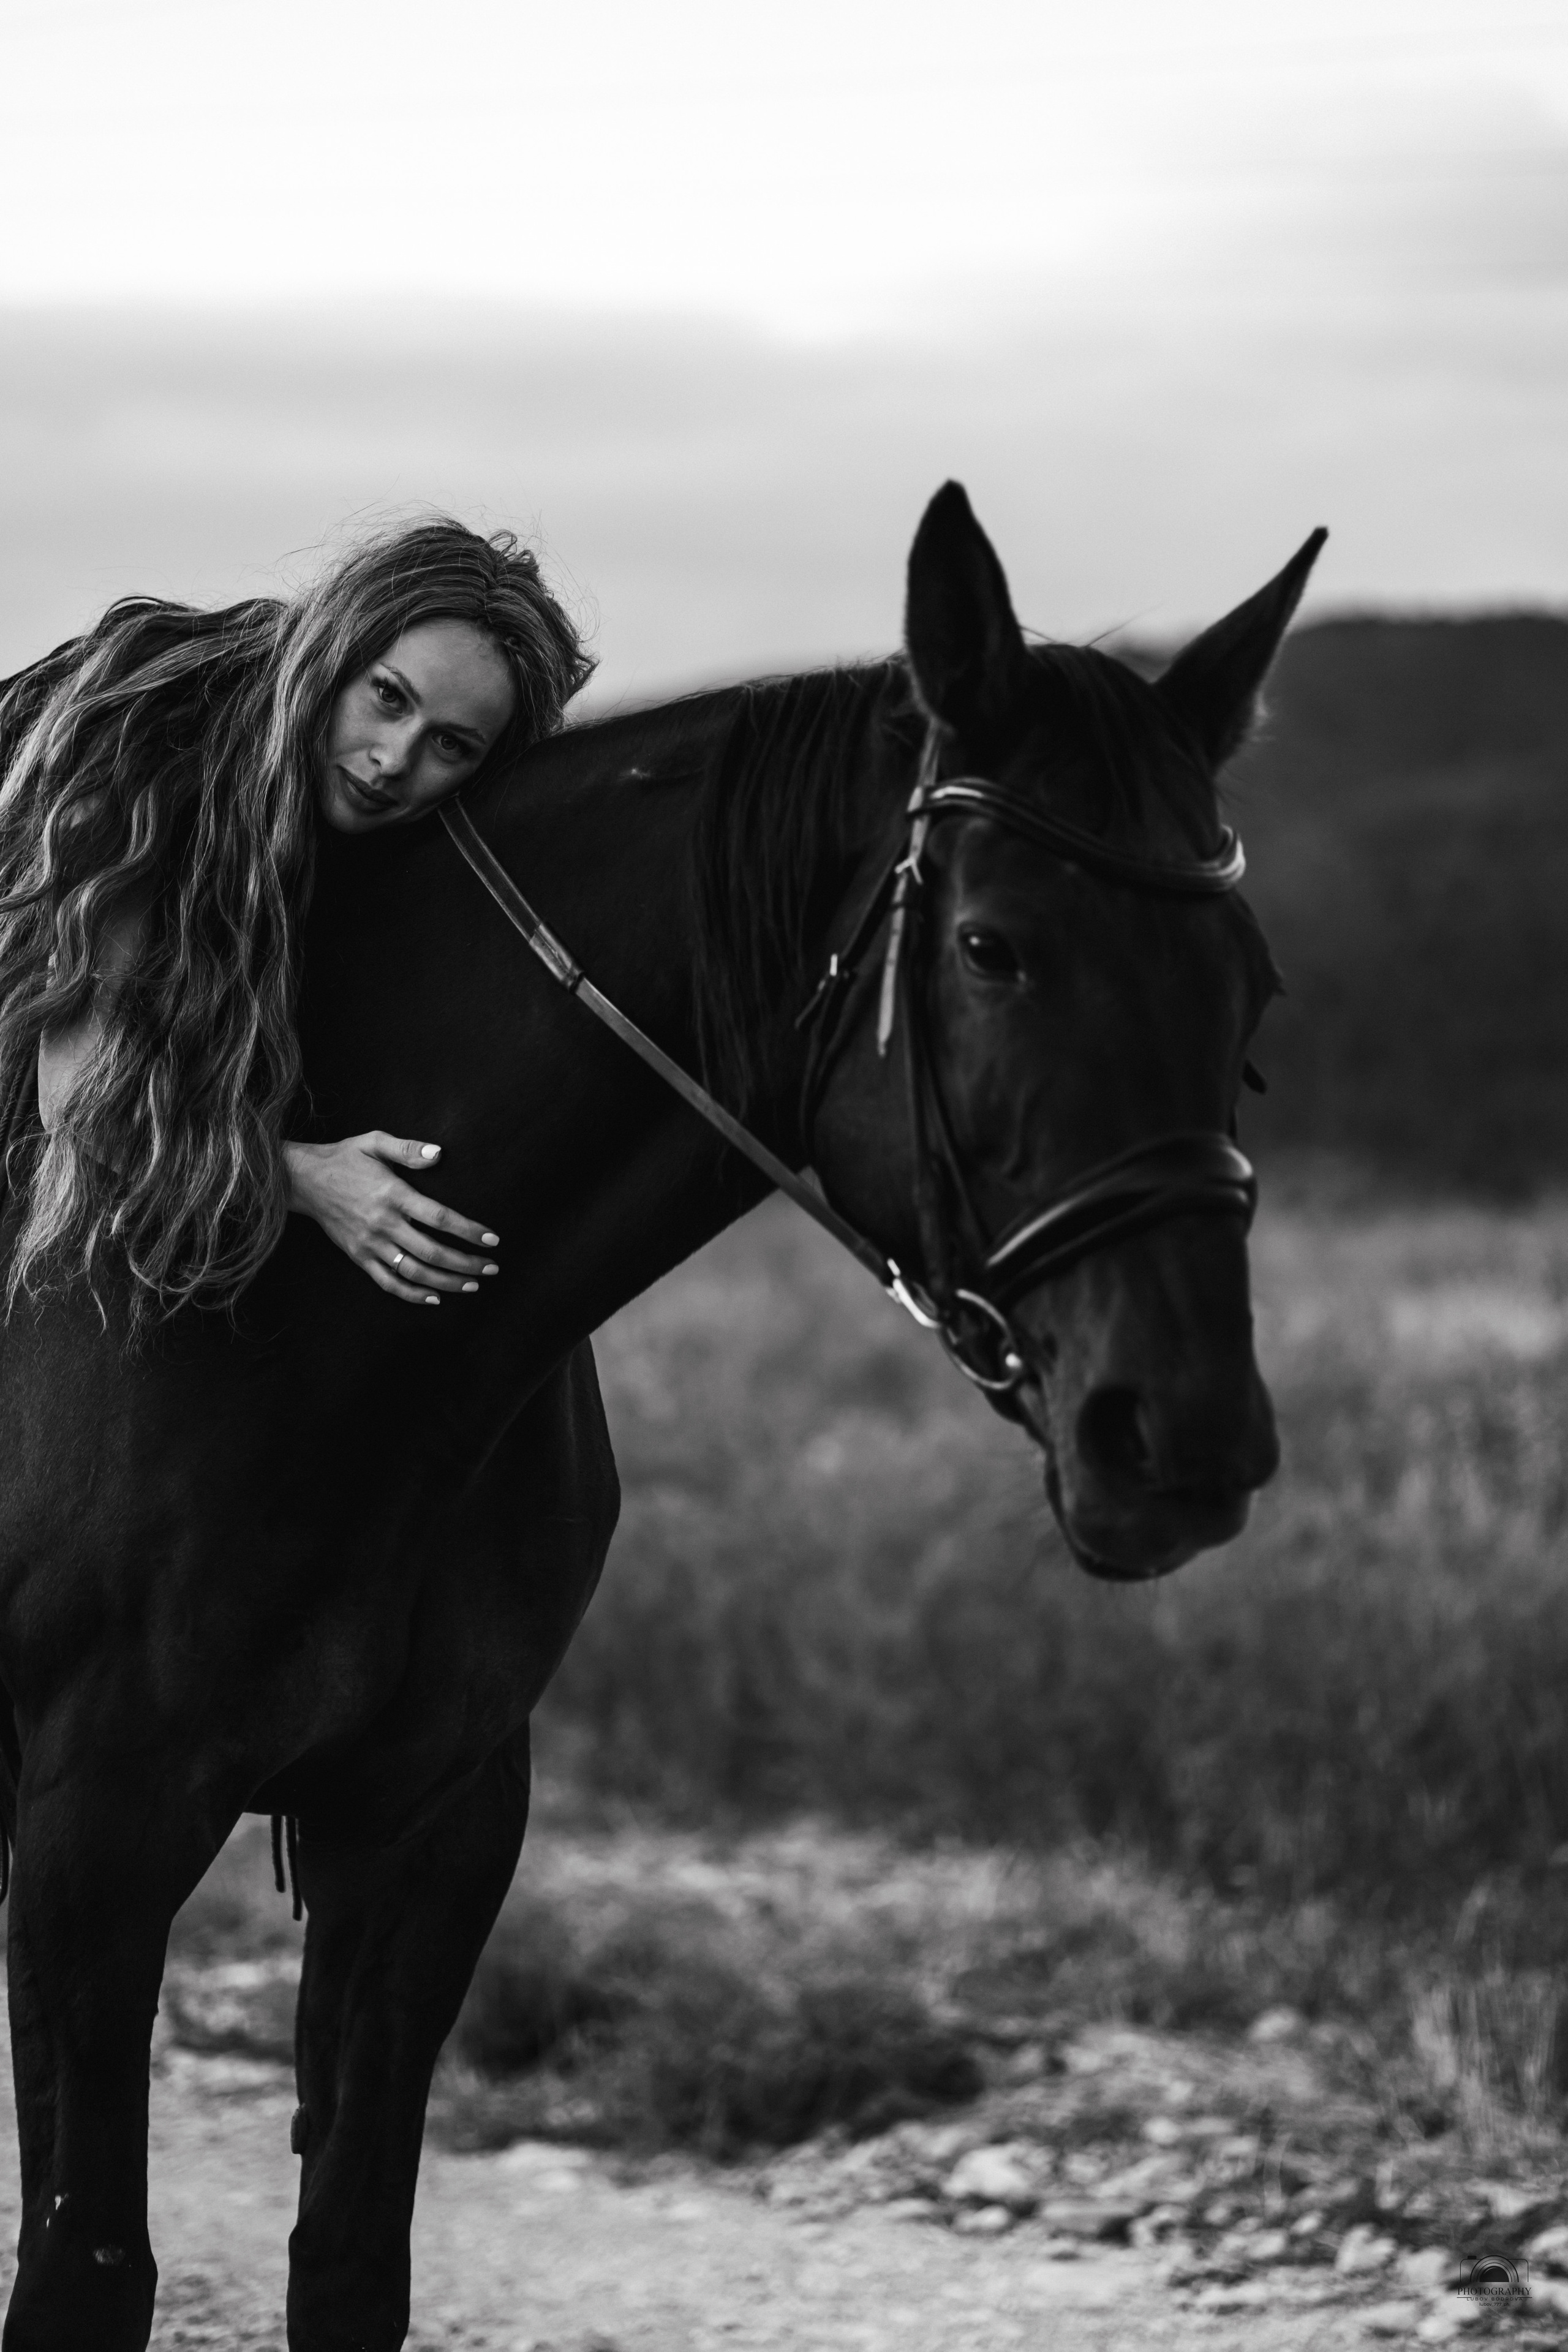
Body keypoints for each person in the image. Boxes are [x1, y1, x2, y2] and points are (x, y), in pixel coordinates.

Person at [0, 519, 594, 1323]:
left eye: (449, 745)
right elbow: (74, 1101)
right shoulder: (153, 766)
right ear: (338, 654)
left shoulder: (401, 843)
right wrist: (307, 1181)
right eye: (388, 698)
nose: (393, 759)